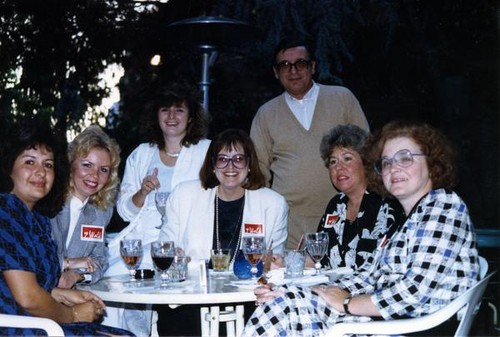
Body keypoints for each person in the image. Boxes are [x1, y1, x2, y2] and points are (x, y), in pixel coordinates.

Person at [242, 120, 480, 336]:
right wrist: (293, 289)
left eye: (405, 158)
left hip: (413, 327)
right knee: (285, 302)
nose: (394, 168)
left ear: (431, 162)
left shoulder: (443, 206)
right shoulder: (411, 221)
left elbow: (414, 293)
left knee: (288, 309)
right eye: (386, 162)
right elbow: (368, 276)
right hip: (390, 320)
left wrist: (346, 304)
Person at [0, 117, 133, 336]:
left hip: (37, 319)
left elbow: (35, 284)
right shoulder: (7, 210)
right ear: (10, 166)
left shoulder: (37, 218)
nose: (41, 172)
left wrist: (65, 294)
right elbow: (27, 296)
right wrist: (72, 315)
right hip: (19, 325)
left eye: (48, 164)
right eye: (30, 162)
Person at [104, 82, 210, 336]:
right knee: (115, 282)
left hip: (185, 242)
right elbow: (125, 212)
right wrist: (142, 193)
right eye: (165, 110)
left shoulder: (206, 151)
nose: (171, 117)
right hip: (142, 242)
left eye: (179, 110)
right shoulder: (141, 154)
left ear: (191, 116)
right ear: (156, 115)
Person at [250, 37, 369, 249]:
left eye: (300, 63)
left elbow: (367, 152)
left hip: (345, 215)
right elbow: (258, 170)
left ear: (312, 67)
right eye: (285, 65)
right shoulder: (266, 114)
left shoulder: (341, 98)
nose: (293, 70)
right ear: (276, 72)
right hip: (290, 224)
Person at [160, 128, 288, 263]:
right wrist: (172, 254)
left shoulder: (274, 204)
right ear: (213, 165)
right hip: (195, 282)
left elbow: (275, 264)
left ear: (249, 164)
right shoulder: (183, 196)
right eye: (222, 159)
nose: (230, 167)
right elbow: (164, 248)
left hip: (250, 283)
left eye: (238, 159)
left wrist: (274, 261)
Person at [312, 124, 404, 270]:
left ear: (365, 162)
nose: (339, 167)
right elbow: (317, 256)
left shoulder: (387, 203)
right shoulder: (336, 204)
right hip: (330, 288)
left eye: (347, 159)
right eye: (333, 161)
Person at [51, 125, 121, 289]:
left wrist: (76, 276)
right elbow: (34, 259)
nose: (95, 176)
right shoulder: (50, 202)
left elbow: (99, 262)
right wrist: (67, 263)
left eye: (103, 169)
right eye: (87, 165)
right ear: (71, 164)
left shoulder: (101, 212)